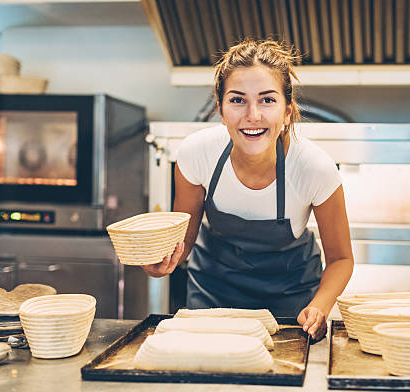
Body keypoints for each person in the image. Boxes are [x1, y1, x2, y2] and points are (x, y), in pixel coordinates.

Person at [142, 39, 353, 340]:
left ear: (288, 110)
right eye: (237, 100)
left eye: (267, 100)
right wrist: (162, 263)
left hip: (291, 297)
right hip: (213, 294)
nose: (252, 115)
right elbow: (182, 242)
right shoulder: (196, 155)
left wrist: (319, 306)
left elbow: (341, 259)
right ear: (220, 108)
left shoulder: (313, 168)